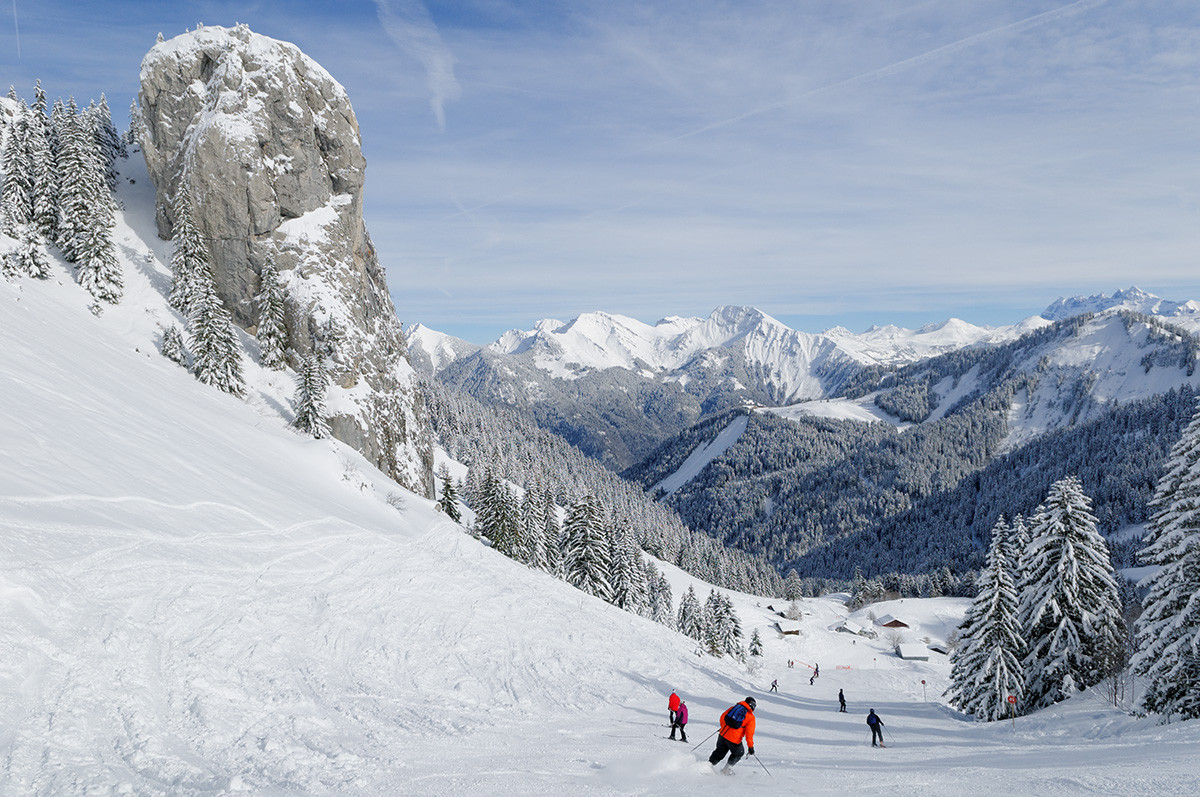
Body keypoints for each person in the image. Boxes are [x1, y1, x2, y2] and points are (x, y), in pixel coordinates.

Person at [709, 696, 757, 774]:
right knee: (739, 753)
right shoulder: (750, 717)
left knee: (719, 751)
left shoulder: (734, 708)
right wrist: (750, 747)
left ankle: (708, 766)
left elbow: (722, 717)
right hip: (734, 739)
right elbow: (749, 734)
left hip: (722, 734)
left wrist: (723, 727)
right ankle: (726, 770)